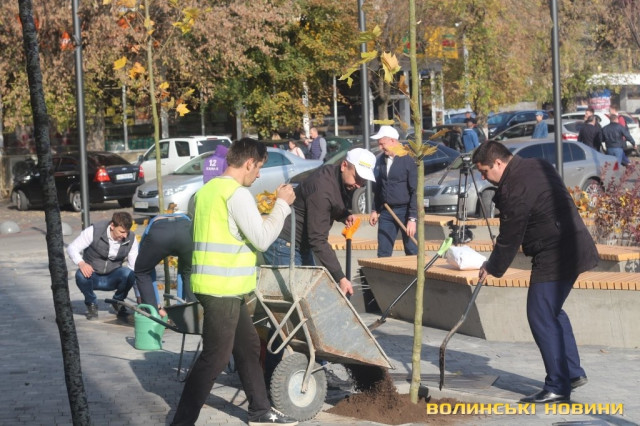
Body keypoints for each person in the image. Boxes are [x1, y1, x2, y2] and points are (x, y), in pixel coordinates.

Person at [171, 138, 297, 426]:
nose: (259, 175)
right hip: (223, 288)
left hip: (215, 285)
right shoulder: (237, 195)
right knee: (215, 358)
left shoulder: (205, 192)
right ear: (249, 163)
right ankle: (181, 422)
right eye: (259, 168)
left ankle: (260, 411)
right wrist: (281, 205)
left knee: (249, 347)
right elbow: (262, 239)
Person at [472, 141, 597, 404]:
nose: (484, 178)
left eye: (484, 171)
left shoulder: (515, 188)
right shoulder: (536, 164)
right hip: (573, 243)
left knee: (540, 314)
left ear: (498, 163)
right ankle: (571, 373)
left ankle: (558, 386)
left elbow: (509, 237)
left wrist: (492, 267)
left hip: (556, 253)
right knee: (551, 311)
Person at [67, 212, 138, 320]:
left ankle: (118, 301)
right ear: (112, 226)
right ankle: (91, 303)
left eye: (127, 232)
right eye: (122, 232)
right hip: (92, 275)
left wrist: (139, 296)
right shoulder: (94, 231)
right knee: (80, 275)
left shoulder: (131, 239)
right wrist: (82, 263)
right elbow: (72, 248)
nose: (125, 236)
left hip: (113, 276)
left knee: (129, 274)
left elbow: (134, 268)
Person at [368, 125, 418, 257]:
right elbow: (379, 186)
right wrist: (375, 209)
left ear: (392, 141)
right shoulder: (381, 160)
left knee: (412, 250)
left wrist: (412, 219)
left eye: (382, 144)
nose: (380, 148)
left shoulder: (408, 159)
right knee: (383, 252)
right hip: (386, 211)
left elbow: (415, 191)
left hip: (405, 211)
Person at [135, 213, 195, 310]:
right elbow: (182, 274)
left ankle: (153, 312)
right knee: (188, 271)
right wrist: (180, 305)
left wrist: (157, 304)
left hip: (160, 235)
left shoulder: (152, 223)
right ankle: (193, 310)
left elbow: (147, 271)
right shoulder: (186, 219)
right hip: (185, 233)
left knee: (142, 271)